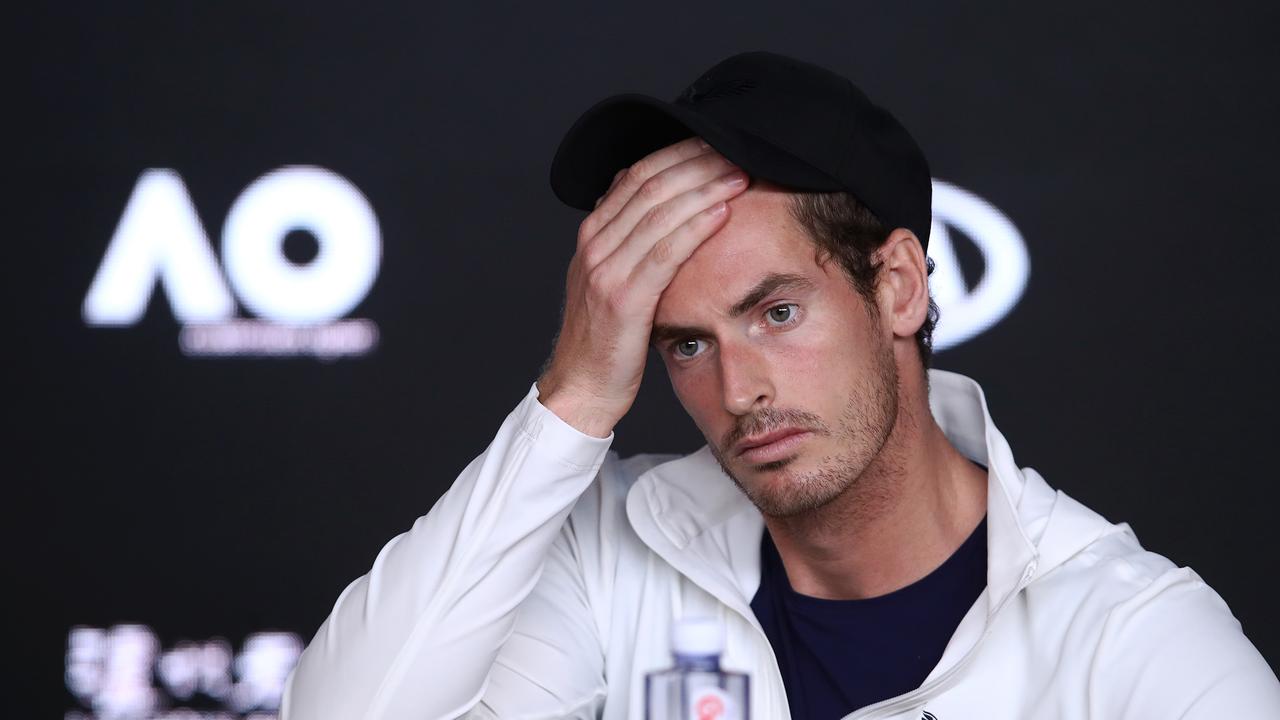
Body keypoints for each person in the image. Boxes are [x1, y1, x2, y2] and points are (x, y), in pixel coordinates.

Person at [280, 52, 1280, 719]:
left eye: (776, 312)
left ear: (894, 285)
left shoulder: (1133, 639)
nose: (738, 388)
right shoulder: (608, 548)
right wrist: (576, 392)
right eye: (682, 345)